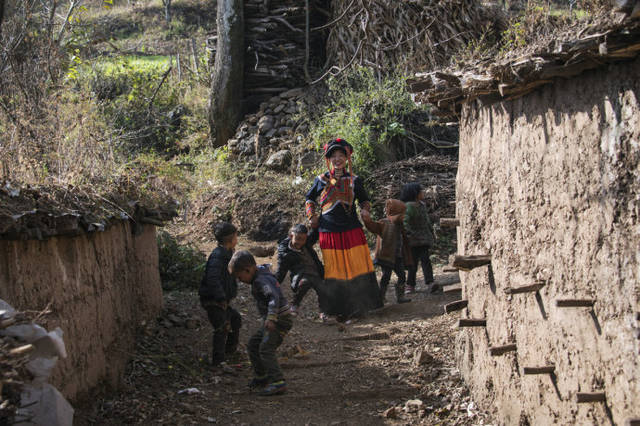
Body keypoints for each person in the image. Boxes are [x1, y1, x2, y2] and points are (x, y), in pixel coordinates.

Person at [305, 137, 383, 320]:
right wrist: (312, 216)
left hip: (352, 230)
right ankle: (336, 310)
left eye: (341, 155)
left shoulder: (355, 180)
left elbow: (364, 200)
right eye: (334, 156)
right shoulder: (321, 180)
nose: (338, 159)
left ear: (347, 158)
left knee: (357, 266)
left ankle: (361, 307)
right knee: (335, 269)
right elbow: (309, 199)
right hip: (329, 231)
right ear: (329, 159)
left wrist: (365, 211)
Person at [228, 250, 293, 396]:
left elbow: (273, 297)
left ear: (248, 269)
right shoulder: (260, 276)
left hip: (279, 319)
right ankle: (262, 376)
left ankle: (278, 382)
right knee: (253, 345)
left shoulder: (260, 280)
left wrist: (271, 318)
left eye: (240, 276)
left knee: (265, 348)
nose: (240, 280)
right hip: (272, 318)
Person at [199, 222, 242, 371]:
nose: (237, 238)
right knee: (222, 327)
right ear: (230, 239)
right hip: (213, 300)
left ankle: (230, 352)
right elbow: (212, 279)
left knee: (235, 319)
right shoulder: (218, 256)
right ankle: (218, 361)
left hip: (222, 299)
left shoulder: (228, 254)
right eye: (236, 236)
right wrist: (220, 298)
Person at [363, 199, 412, 304]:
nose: (404, 216)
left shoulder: (400, 225)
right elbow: (373, 227)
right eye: (402, 214)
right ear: (395, 213)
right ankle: (381, 297)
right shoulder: (384, 223)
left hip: (397, 256)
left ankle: (400, 296)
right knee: (386, 276)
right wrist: (367, 220)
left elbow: (405, 238)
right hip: (385, 256)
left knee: (402, 275)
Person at [275, 224, 327, 318]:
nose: (300, 242)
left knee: (323, 288)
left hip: (316, 273)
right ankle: (295, 304)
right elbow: (281, 271)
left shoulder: (307, 243)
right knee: (305, 282)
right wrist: (273, 283)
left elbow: (315, 233)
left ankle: (324, 312)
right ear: (291, 236)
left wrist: (316, 223)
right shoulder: (285, 253)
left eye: (303, 239)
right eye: (298, 238)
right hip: (300, 275)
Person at [400, 182, 438, 294]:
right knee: (413, 263)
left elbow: (426, 221)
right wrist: (408, 234)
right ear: (415, 193)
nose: (423, 192)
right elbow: (405, 222)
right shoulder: (408, 207)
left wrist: (431, 232)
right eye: (421, 191)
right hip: (413, 241)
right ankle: (410, 284)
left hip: (424, 239)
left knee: (426, 260)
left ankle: (430, 283)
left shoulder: (422, 205)